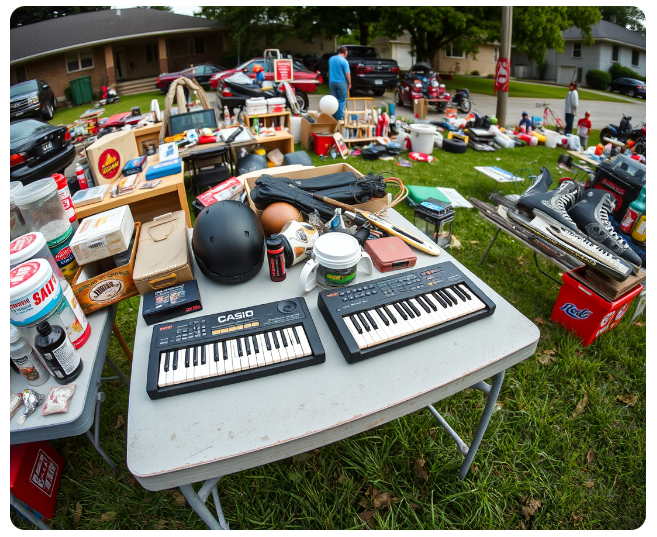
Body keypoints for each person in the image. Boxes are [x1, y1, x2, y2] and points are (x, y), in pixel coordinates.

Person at [328, 46, 351, 121]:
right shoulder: (344, 61)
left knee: (334, 101)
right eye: (346, 52)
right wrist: (349, 83)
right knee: (341, 100)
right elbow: (347, 73)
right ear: (344, 52)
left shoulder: (331, 59)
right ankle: (340, 119)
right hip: (341, 82)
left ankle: (334, 118)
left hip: (332, 82)